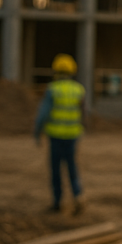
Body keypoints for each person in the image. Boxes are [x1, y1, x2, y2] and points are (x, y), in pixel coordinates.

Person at [34, 53, 87, 214]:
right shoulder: (79, 89)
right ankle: (78, 196)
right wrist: (82, 128)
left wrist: (37, 132)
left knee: (56, 169)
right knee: (72, 166)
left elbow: (43, 113)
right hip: (72, 135)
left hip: (56, 135)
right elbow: (83, 113)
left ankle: (57, 202)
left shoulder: (53, 89)